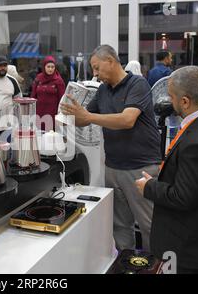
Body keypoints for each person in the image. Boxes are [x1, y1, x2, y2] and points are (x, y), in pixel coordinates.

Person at [135, 66, 198, 274]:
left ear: (185, 101)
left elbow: (182, 197)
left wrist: (149, 187)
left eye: (172, 97)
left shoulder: (197, 141)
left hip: (188, 247)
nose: (169, 102)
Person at [60, 45, 162, 252]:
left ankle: (155, 266)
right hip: (113, 168)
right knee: (120, 225)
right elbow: (85, 118)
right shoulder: (104, 90)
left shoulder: (137, 84)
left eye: (97, 68)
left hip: (140, 168)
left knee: (149, 225)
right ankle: (125, 263)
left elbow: (127, 120)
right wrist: (70, 115)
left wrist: (87, 116)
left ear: (111, 61)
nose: (95, 74)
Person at [30, 56, 66, 131]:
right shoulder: (38, 78)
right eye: (48, 66)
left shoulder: (59, 81)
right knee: (39, 135)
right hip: (39, 112)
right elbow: (33, 96)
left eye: (52, 67)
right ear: (44, 67)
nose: (50, 69)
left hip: (52, 113)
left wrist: (60, 114)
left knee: (50, 136)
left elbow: (62, 99)